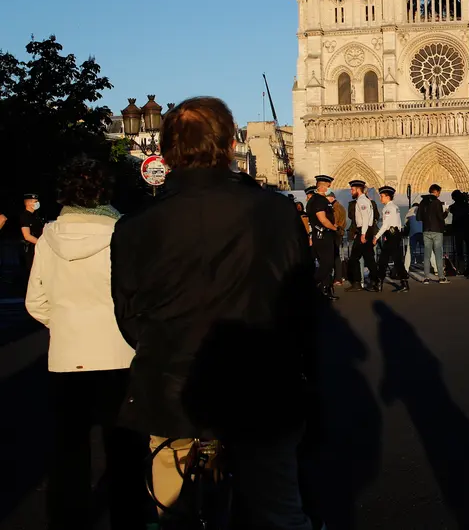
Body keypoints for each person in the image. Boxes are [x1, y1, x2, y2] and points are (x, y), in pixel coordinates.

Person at [110, 96, 315, 529]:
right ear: (227, 145)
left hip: (173, 392)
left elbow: (128, 317)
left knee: (173, 512)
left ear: (166, 151)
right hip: (264, 389)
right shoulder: (275, 211)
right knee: (277, 512)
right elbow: (300, 306)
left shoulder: (134, 225)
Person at [26, 157, 150, 530]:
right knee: (125, 454)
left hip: (67, 356)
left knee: (68, 452)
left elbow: (36, 302)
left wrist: (65, 323)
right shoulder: (124, 234)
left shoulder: (48, 236)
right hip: (119, 354)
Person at [306, 174, 340, 299]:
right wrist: (334, 227)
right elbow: (322, 219)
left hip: (319, 235)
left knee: (324, 263)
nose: (329, 188)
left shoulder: (314, 200)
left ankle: (326, 290)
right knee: (327, 263)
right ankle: (312, 284)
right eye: (328, 186)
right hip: (323, 235)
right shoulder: (319, 201)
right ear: (322, 187)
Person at [373, 186, 409, 291]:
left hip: (391, 235)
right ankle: (403, 282)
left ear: (388, 197)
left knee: (384, 260)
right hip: (395, 234)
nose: (381, 198)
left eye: (382, 196)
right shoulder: (395, 207)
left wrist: (376, 236)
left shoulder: (387, 209)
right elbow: (398, 223)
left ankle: (379, 283)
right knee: (393, 259)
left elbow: (385, 225)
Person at [346, 180, 378, 291]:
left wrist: (363, 234)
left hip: (364, 231)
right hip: (364, 231)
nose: (351, 191)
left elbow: (365, 218)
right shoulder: (364, 200)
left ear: (358, 189)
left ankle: (358, 282)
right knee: (368, 258)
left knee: (355, 258)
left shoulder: (362, 201)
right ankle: (374, 281)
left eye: (352, 189)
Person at [419, 184, 448, 283]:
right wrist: (446, 213)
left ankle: (426, 277)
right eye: (439, 192)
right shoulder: (437, 202)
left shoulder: (422, 202)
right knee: (438, 254)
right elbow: (440, 217)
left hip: (426, 230)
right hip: (437, 231)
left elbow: (418, 217)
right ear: (436, 192)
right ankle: (441, 277)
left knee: (426, 255)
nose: (439, 194)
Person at [19, 192, 44, 285]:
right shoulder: (25, 216)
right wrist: (41, 243)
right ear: (28, 203)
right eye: (35, 201)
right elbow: (27, 235)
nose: (37, 203)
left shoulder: (36, 216)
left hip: (37, 247)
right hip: (29, 248)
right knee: (30, 273)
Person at [449, 190, 469, 275]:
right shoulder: (466, 205)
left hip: (458, 230)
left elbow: (451, 209)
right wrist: (468, 201)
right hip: (467, 230)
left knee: (460, 251)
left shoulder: (453, 207)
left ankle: (461, 268)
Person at [327, 191, 347, 287]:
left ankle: (337, 278)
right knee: (335, 255)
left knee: (335, 255)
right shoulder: (338, 206)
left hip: (335, 233)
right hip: (338, 232)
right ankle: (337, 277)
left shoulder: (335, 208)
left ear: (331, 198)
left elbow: (333, 222)